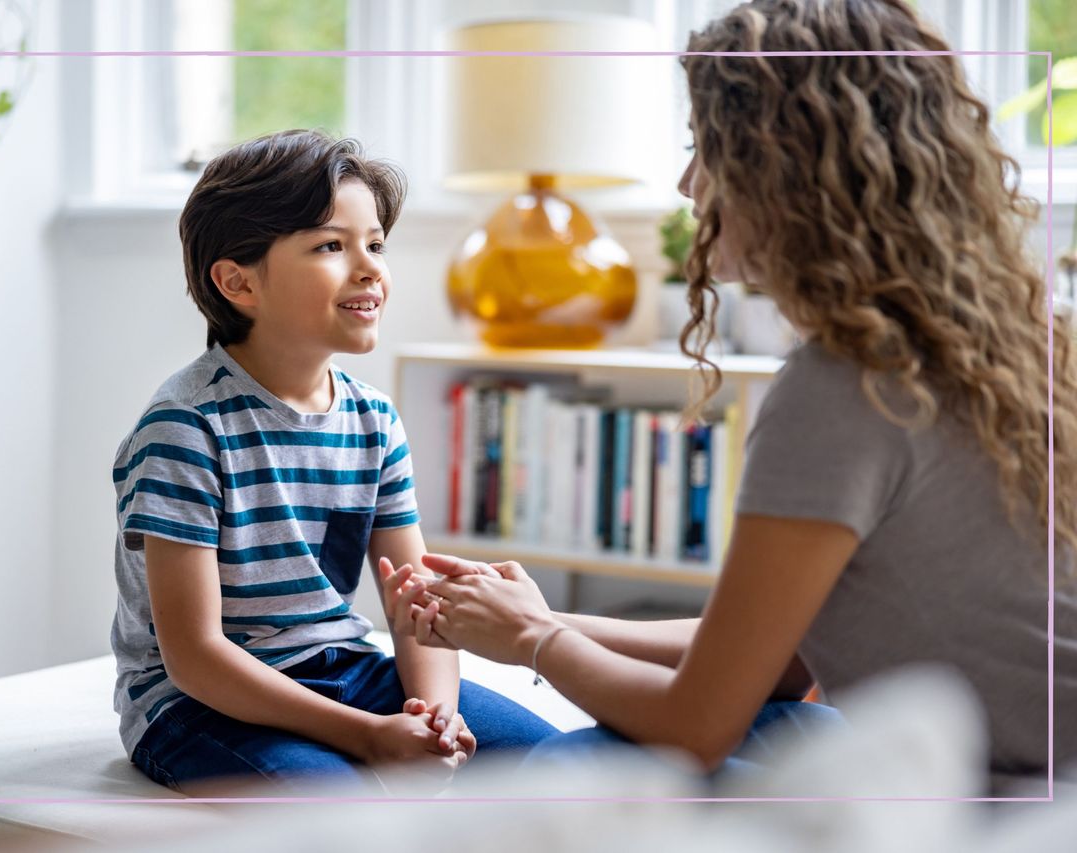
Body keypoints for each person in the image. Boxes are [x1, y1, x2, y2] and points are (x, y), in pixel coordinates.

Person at [382, 0, 1076, 795]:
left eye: (704, 152)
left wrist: (535, 639)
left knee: (576, 767)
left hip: (1015, 796)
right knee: (767, 729)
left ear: (783, 170)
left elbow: (696, 727)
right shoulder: (1022, 340)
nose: (687, 184)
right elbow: (780, 665)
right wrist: (534, 616)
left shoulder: (844, 384)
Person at [110, 130, 557, 796]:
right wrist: (367, 736)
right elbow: (196, 657)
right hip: (198, 704)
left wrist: (437, 717)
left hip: (345, 668)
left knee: (561, 765)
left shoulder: (373, 421)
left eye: (375, 243)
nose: (370, 267)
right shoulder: (186, 427)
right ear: (237, 281)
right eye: (330, 245)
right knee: (345, 811)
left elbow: (419, 606)